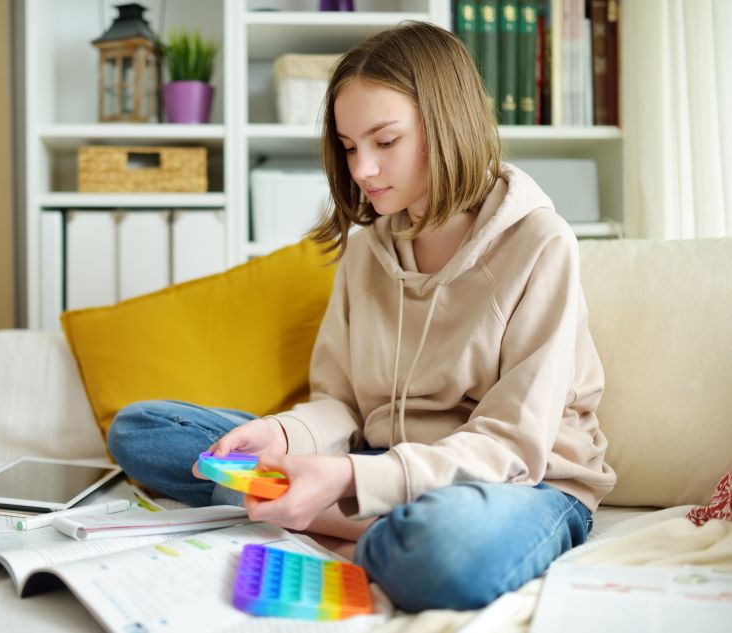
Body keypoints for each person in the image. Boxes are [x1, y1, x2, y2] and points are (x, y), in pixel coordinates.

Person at [107, 21, 616, 613]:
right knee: (144, 430)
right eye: (349, 147)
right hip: (377, 462)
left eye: (385, 141)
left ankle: (340, 516)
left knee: (443, 553)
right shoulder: (367, 250)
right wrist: (285, 435)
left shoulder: (540, 242)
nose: (363, 169)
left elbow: (511, 447)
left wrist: (347, 481)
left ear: (447, 124)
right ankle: (355, 515)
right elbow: (343, 403)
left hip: (519, 485)